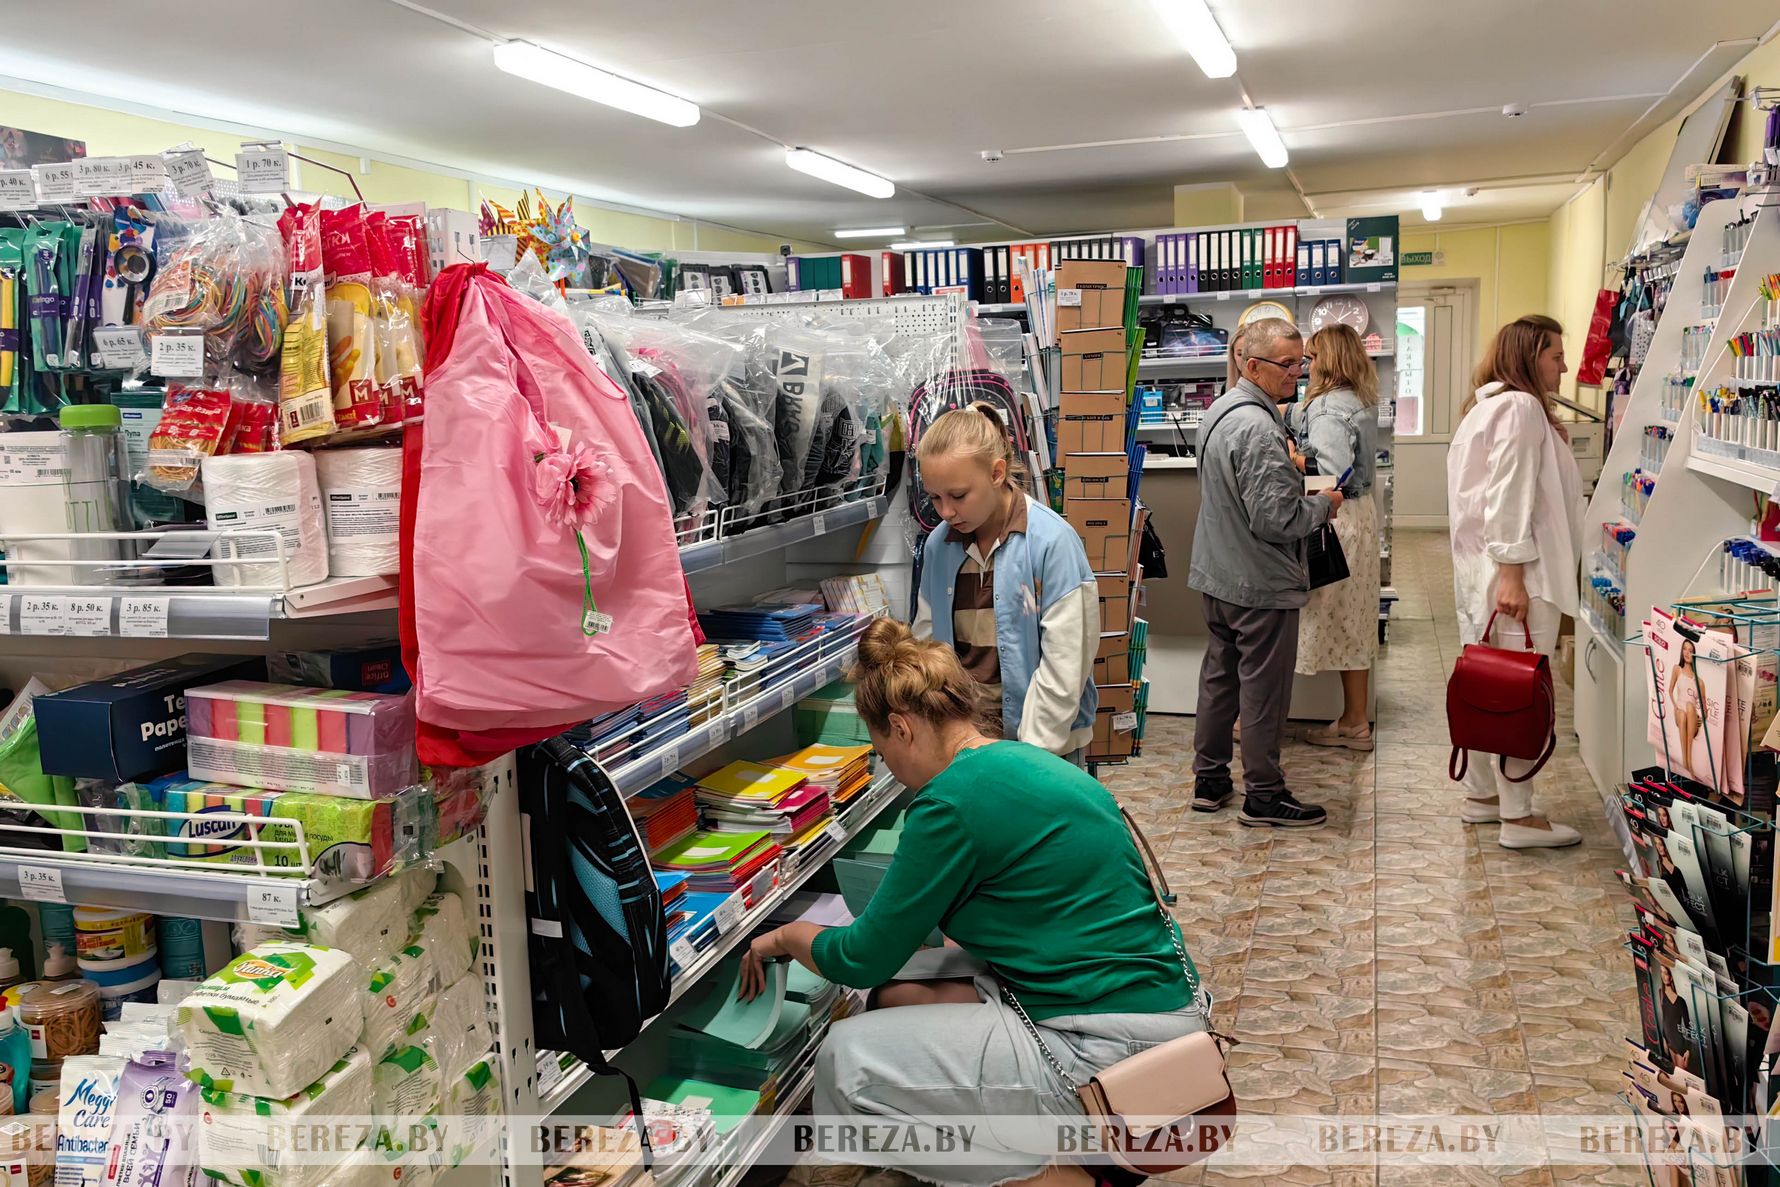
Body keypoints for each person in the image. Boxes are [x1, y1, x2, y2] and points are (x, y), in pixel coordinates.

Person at [740, 619, 1207, 1187]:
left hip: (1106, 1052)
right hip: (1164, 1012)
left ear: (901, 728)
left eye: (882, 751)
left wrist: (783, 936)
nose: (889, 769)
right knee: (897, 996)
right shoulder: (1026, 762)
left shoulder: (947, 804)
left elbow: (860, 960)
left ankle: (1054, 1175)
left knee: (846, 1057)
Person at [1189, 318, 1342, 828]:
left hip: (1218, 573)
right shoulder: (1258, 427)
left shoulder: (1220, 410)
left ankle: (1210, 780)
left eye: (1302, 362)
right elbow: (1277, 521)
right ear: (1252, 365)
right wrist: (1323, 505)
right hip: (1259, 583)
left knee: (1220, 680)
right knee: (1264, 691)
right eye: (1288, 364)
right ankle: (1264, 795)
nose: (1298, 373)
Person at [1447, 314, 1583, 849]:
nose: (1564, 367)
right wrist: (1511, 575)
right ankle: (1518, 818)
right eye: (1556, 356)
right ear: (1530, 357)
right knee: (1520, 691)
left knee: (1488, 685)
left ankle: (1483, 797)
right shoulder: (1521, 408)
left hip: (1484, 573)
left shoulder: (1489, 407)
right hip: (1520, 576)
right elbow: (1508, 494)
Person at [912, 404, 1099, 759]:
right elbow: (927, 642)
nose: (946, 512)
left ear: (997, 473)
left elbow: (1066, 663)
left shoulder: (1052, 543)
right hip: (966, 741)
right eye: (935, 497)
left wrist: (1030, 754)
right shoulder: (938, 546)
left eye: (958, 495)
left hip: (1044, 746)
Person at [1291, 325, 1383, 750]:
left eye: (1310, 358)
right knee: (1355, 618)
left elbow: (1328, 475)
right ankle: (1355, 721)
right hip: (1360, 515)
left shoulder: (1328, 409)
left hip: (1334, 518)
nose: (1304, 366)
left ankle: (1256, 717)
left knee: (1311, 612)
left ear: (1325, 361)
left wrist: (1294, 457)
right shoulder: (1360, 399)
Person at [1667, 638, 1702, 778]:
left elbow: (1702, 705)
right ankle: (1686, 762)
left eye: (1690, 650)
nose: (1687, 653)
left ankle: (1688, 764)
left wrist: (1700, 717)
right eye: (1685, 649)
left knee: (1689, 707)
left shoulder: (1696, 679)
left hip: (1691, 715)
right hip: (1680, 712)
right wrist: (1675, 707)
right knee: (1682, 714)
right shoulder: (1677, 669)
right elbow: (1670, 691)